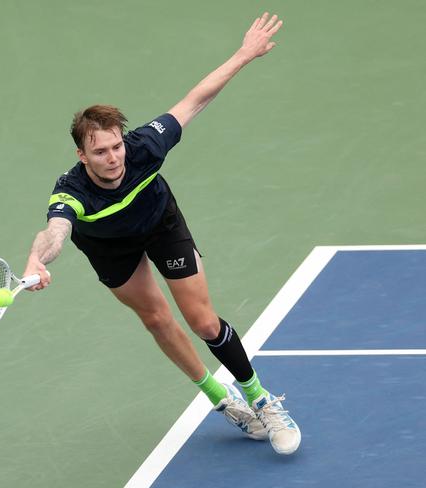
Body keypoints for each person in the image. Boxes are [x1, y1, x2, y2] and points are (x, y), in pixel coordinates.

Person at [22, 12, 300, 455]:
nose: (113, 158)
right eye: (100, 152)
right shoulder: (72, 192)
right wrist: (37, 260)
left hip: (159, 223)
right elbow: (54, 231)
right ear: (82, 154)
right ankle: (220, 399)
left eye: (115, 146)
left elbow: (196, 99)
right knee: (155, 319)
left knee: (204, 322)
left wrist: (244, 54)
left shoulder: (145, 146)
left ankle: (261, 398)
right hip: (110, 248)